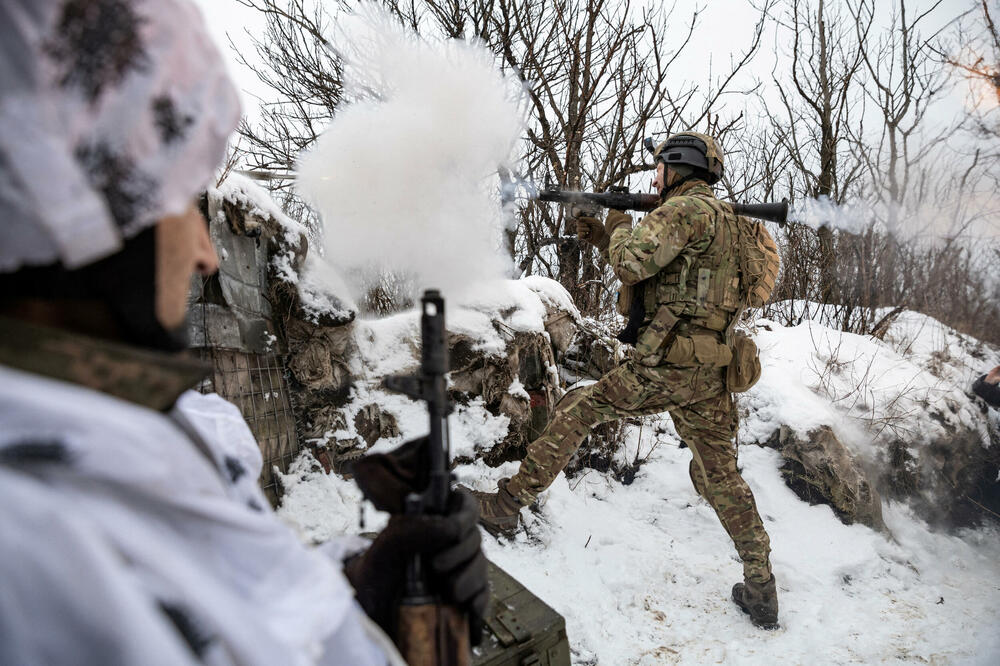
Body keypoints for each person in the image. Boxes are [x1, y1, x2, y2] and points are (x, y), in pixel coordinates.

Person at [0, 1, 485, 663]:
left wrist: (360, 581)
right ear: (70, 203)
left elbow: (234, 604)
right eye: (182, 202)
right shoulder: (30, 546)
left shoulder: (142, 432)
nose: (204, 254)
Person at [471, 131, 780, 629]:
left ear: (678, 167)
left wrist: (617, 223)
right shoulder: (738, 226)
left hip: (663, 368)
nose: (654, 177)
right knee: (723, 477)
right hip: (711, 373)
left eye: (659, 168)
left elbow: (631, 261)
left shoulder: (683, 211)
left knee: (578, 407)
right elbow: (677, 279)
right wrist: (602, 236)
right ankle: (762, 588)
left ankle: (507, 504)